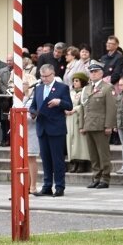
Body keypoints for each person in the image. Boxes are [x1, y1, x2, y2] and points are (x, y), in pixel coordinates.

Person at [29, 65, 73, 197]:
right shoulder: (38, 88)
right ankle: (47, 186)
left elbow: (69, 105)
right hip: (42, 127)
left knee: (57, 159)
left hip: (56, 128)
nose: (44, 79)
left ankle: (59, 186)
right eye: (42, 76)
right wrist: (32, 113)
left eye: (47, 76)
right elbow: (33, 106)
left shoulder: (62, 87)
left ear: (53, 74)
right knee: (46, 159)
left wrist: (59, 102)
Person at [80, 63, 117, 188]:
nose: (93, 74)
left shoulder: (107, 88)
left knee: (103, 154)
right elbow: (83, 107)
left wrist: (109, 126)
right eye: (91, 72)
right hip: (89, 124)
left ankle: (105, 179)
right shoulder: (87, 88)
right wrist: (82, 125)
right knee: (93, 154)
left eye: (96, 71)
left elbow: (111, 108)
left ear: (101, 73)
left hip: (101, 125)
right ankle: (96, 177)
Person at [66, 73, 91, 173]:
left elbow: (85, 105)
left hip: (78, 117)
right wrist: (65, 109)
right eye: (74, 81)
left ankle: (82, 162)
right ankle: (74, 161)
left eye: (77, 81)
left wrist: (74, 109)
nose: (74, 83)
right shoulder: (70, 92)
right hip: (69, 118)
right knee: (71, 140)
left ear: (82, 82)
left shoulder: (85, 92)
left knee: (79, 141)